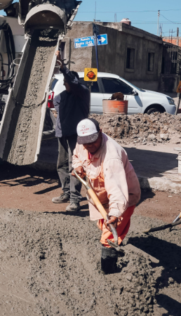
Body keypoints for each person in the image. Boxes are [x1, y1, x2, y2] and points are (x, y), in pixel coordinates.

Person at [71, 118, 141, 274]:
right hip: (101, 195)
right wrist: (78, 168)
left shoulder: (111, 158)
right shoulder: (83, 142)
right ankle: (116, 245)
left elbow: (117, 191)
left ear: (100, 133)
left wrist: (115, 214)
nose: (89, 146)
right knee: (103, 226)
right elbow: (77, 156)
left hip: (122, 197)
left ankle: (109, 272)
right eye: (85, 143)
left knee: (108, 234)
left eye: (92, 142)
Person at [52, 50, 90, 212]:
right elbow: (56, 109)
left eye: (67, 82)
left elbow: (72, 82)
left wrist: (62, 66)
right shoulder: (61, 96)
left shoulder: (82, 93)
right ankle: (66, 193)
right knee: (61, 164)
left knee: (75, 166)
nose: (65, 84)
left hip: (76, 136)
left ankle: (75, 200)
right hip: (62, 134)